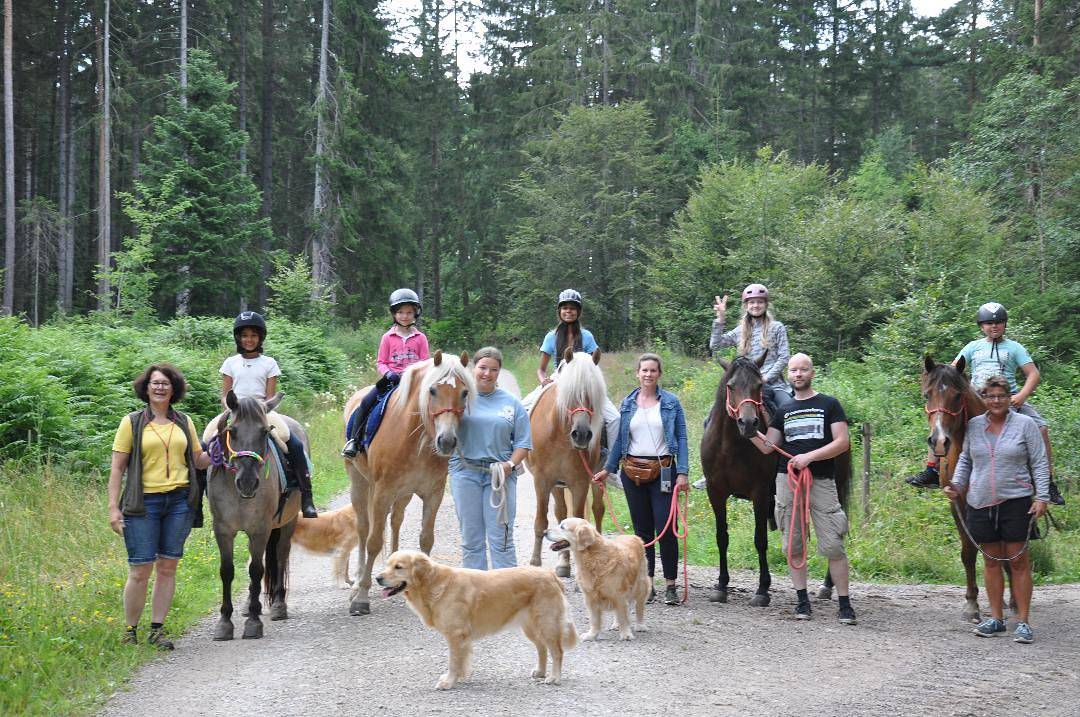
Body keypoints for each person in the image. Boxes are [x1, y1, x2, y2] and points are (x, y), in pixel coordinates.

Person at [907, 302, 1063, 505]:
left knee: (1040, 427)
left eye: (998, 322)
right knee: (941, 419)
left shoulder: (1015, 348)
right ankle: (931, 469)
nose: (994, 326)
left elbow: (1033, 374)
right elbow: (952, 371)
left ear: (1005, 325)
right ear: (981, 326)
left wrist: (1022, 396)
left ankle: (1048, 482)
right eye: (988, 323)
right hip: (976, 395)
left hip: (1008, 398)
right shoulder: (973, 347)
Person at [107, 363, 211, 649]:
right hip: (143, 504)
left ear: (174, 388)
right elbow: (117, 468)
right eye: (155, 383)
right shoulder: (132, 423)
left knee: (167, 567)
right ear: (146, 387)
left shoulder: (184, 422)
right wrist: (113, 508)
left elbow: (198, 459)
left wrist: (218, 452)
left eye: (165, 383)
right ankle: (130, 631)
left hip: (179, 502)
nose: (160, 387)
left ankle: (157, 629)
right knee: (140, 569)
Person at [751, 353, 856, 625]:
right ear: (788, 374)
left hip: (820, 481)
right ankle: (802, 600)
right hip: (787, 481)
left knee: (833, 543)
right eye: (794, 370)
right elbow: (768, 446)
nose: (798, 374)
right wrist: (748, 430)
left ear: (812, 373)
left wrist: (810, 457)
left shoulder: (829, 404)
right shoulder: (783, 412)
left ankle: (844, 604)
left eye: (803, 370)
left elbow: (842, 442)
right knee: (793, 544)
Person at [944, 375, 1050, 643]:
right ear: (984, 399)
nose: (996, 401)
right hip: (980, 501)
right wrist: (956, 484)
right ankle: (997, 618)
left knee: (1018, 563)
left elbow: (1038, 462)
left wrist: (1043, 496)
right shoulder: (975, 426)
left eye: (1001, 396)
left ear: (1009, 398)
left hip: (1016, 501)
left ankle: (1023, 621)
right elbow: (966, 459)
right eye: (990, 397)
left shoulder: (1025, 425)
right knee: (991, 563)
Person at [593, 353, 690, 605]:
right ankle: (646, 584)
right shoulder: (627, 404)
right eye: (644, 370)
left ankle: (670, 584)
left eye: (653, 370)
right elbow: (619, 443)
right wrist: (608, 468)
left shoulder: (671, 403)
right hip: (632, 472)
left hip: (664, 471)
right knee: (642, 533)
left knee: (667, 529)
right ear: (637, 373)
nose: (648, 374)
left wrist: (683, 472)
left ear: (659, 374)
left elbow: (682, 438)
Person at [693, 282, 792, 490]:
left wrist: (764, 378)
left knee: (788, 413)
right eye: (752, 302)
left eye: (760, 302)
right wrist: (719, 320)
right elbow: (716, 345)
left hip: (773, 383)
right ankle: (709, 471)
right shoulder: (741, 330)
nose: (756, 306)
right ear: (746, 305)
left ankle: (789, 463)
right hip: (746, 387)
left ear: (766, 304)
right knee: (710, 417)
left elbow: (784, 357)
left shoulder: (777, 328)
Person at [220, 311, 317, 518]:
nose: (249, 339)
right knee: (205, 441)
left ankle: (306, 495)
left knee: (294, 443)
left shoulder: (269, 363)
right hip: (235, 411)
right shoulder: (230, 363)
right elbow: (224, 394)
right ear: (238, 337)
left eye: (254, 335)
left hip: (262, 411)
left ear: (260, 338)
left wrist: (259, 409)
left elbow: (269, 395)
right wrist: (232, 408)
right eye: (245, 335)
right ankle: (197, 502)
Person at [449, 347, 532, 570]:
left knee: (501, 538)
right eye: (483, 368)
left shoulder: (512, 403)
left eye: (493, 369)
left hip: (500, 474)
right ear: (473, 368)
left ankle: (507, 592)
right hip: (465, 472)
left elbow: (523, 443)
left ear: (499, 372)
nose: (487, 373)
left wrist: (510, 464)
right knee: (471, 538)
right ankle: (475, 592)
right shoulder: (460, 398)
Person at [522, 289, 620, 464]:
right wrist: (543, 381)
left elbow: (594, 363)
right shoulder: (551, 336)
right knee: (521, 410)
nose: (568, 311)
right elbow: (541, 369)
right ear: (559, 311)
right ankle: (520, 457)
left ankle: (610, 462)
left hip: (583, 382)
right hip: (558, 378)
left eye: (572, 308)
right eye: (565, 308)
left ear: (579, 311)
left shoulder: (587, 336)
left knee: (614, 418)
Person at [342, 288, 430, 458]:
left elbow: (425, 363)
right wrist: (388, 373)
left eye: (409, 312)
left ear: (415, 314)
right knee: (366, 402)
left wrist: (414, 376)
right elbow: (381, 362)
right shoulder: (388, 337)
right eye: (400, 312)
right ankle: (354, 440)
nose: (405, 316)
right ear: (394, 314)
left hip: (414, 383)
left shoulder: (421, 338)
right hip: (391, 381)